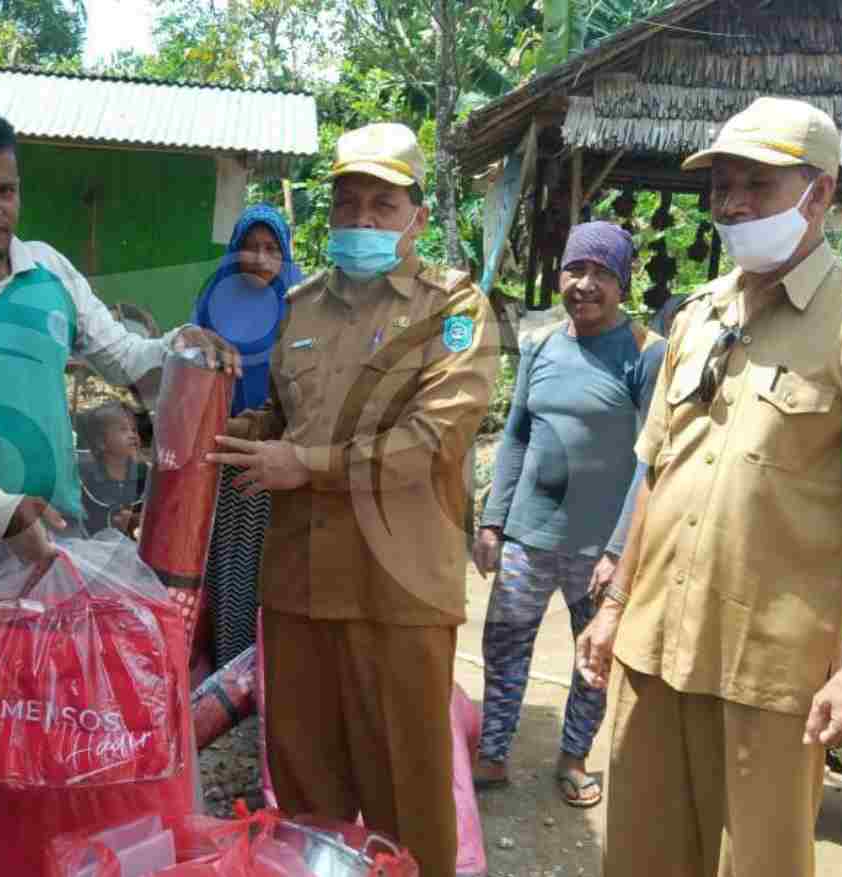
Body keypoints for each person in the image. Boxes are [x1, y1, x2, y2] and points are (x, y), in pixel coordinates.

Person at [575, 97, 842, 877]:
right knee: (638, 858)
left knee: (760, 865)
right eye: (723, 186)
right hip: (653, 647)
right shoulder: (698, 315)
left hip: (770, 672)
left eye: (758, 184)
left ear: (822, 192)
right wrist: (612, 606)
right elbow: (657, 471)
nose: (733, 203)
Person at [0, 104, 236, 677]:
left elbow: (126, 358)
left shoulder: (48, 271)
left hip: (58, 530)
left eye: (6, 191)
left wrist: (183, 343)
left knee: (51, 706)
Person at [210, 122, 500, 877]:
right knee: (305, 797)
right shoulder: (300, 306)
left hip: (396, 594)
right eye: (347, 205)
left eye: (382, 203)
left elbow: (433, 439)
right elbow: (279, 416)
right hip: (301, 592)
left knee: (410, 803)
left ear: (418, 218)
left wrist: (302, 464)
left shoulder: (456, 309)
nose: (362, 221)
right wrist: (216, 415)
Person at [472, 221, 664, 807]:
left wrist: (617, 549)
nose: (585, 285)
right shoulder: (541, 343)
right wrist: (492, 520)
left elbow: (650, 460)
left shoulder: (645, 353)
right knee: (504, 646)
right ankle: (494, 750)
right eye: (575, 270)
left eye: (601, 273)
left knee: (594, 658)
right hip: (528, 536)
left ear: (623, 282)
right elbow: (517, 434)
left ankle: (574, 757)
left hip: (595, 548)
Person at [191, 204, 303, 667]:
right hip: (214, 456)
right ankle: (223, 671)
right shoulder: (211, 304)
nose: (260, 258)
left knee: (265, 568)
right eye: (250, 248)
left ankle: (260, 674)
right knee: (219, 566)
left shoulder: (299, 310)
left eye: (271, 249)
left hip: (273, 458)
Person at [77, 401, 148, 536]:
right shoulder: (84, 477)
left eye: (133, 429)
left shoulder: (146, 475)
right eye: (123, 429)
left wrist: (136, 520)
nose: (132, 435)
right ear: (101, 443)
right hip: (93, 549)